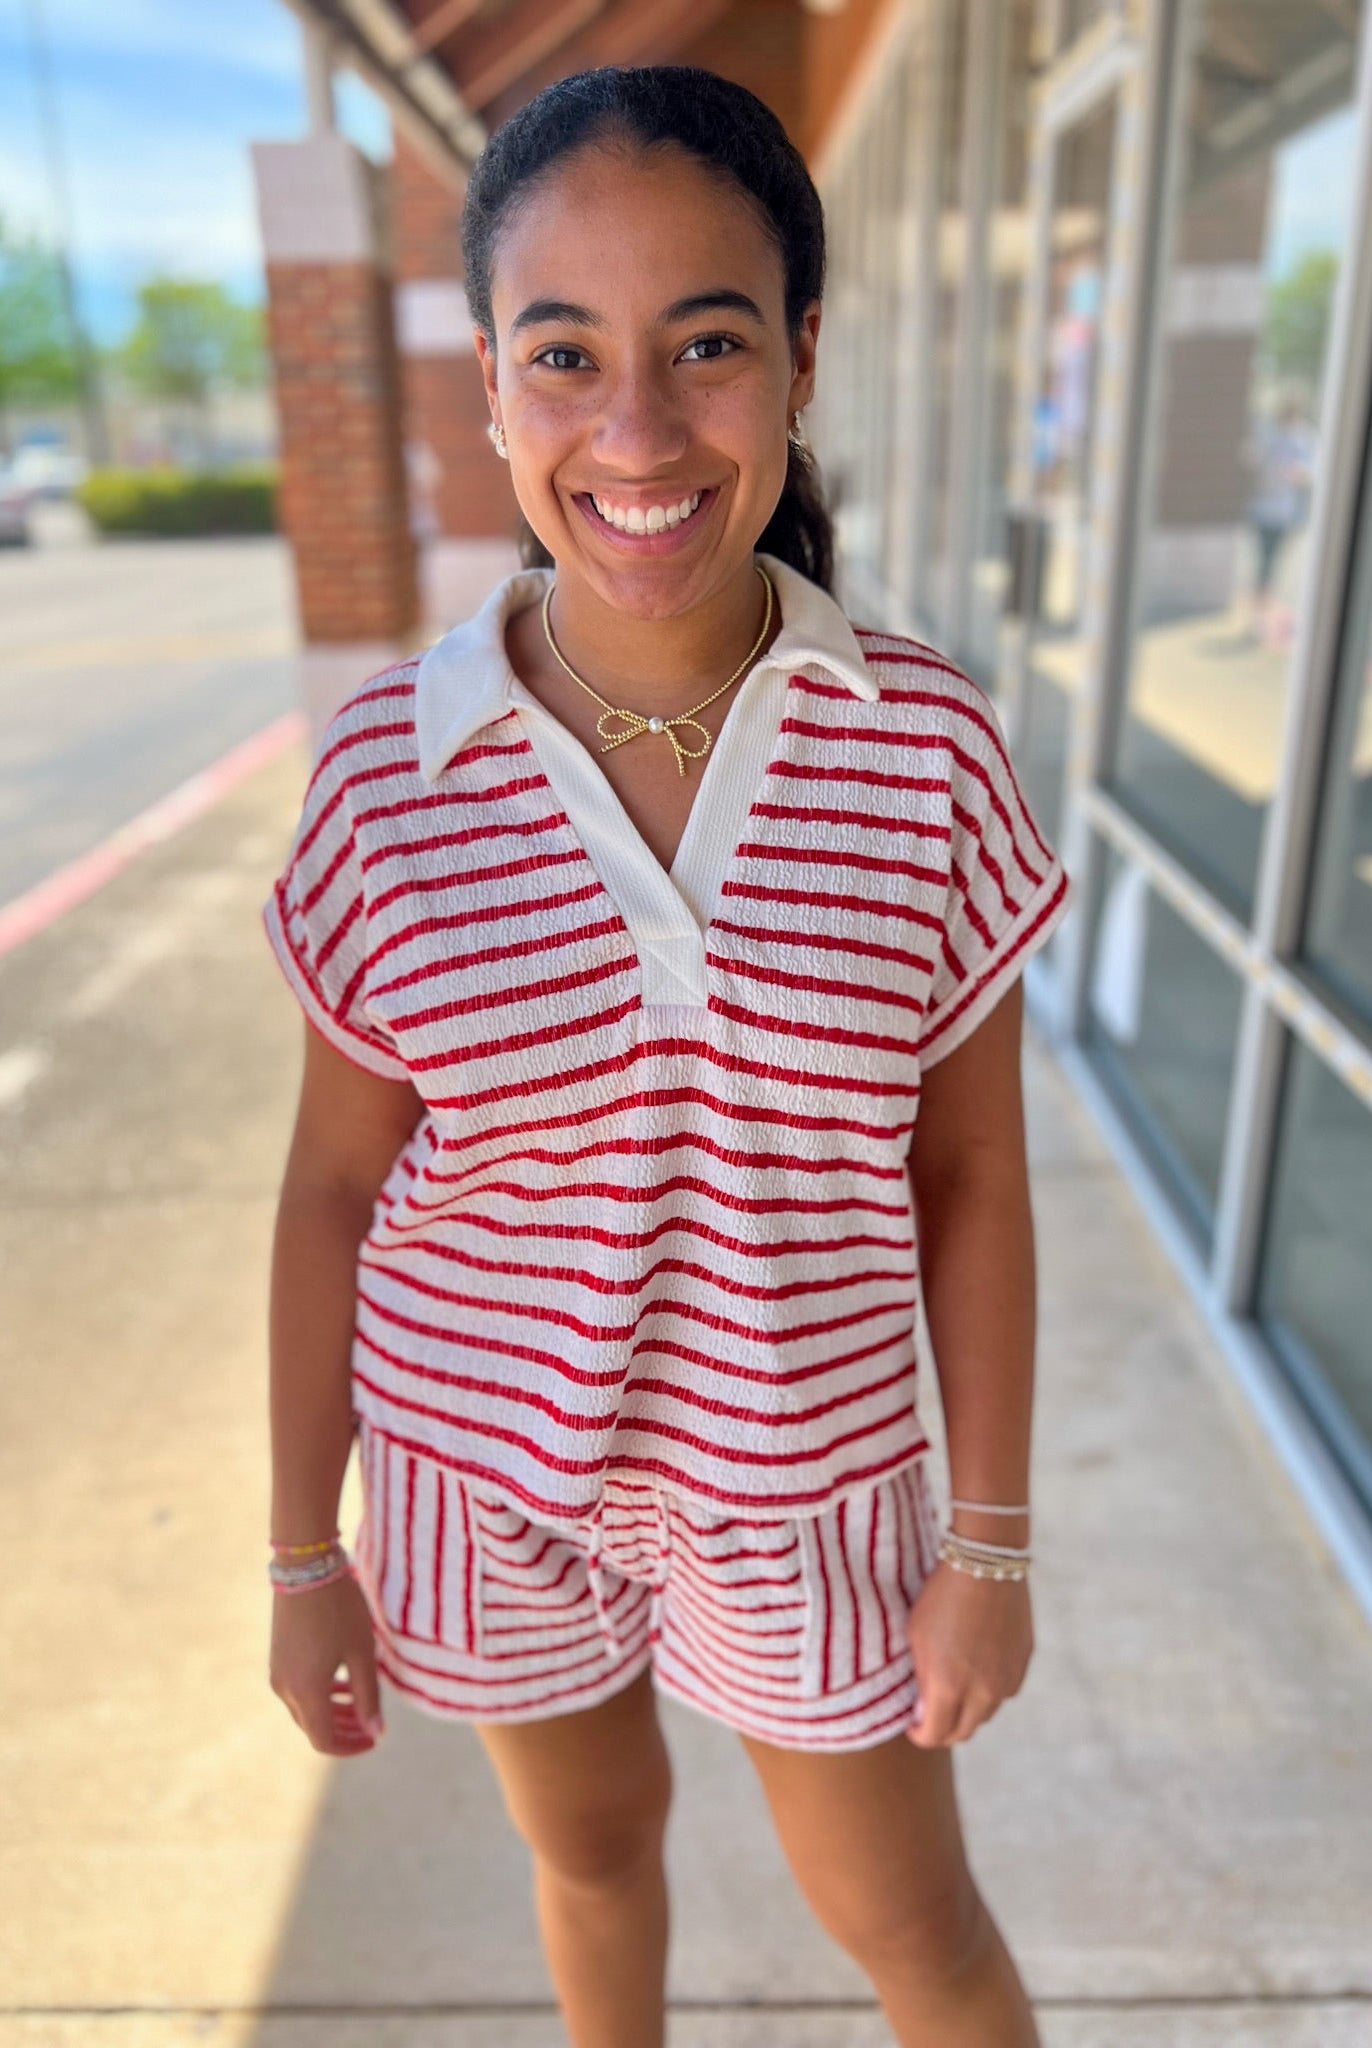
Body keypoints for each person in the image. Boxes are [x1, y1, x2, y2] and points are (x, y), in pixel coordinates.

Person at [262, 64, 1072, 2048]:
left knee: (913, 1925)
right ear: (487, 386)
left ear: (797, 358)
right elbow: (335, 1187)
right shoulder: (390, 776)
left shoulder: (918, 747)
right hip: (484, 1464)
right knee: (595, 1853)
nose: (633, 430)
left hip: (803, 1473)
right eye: (564, 353)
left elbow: (967, 1175)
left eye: (704, 343)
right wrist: (301, 1546)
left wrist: (988, 1538)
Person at [1242, 387, 1316, 650]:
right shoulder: (1271, 436)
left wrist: (1293, 473)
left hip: (1282, 512)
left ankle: (1263, 617)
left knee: (1272, 565)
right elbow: (1253, 462)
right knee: (1266, 564)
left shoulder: (1302, 438)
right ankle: (1259, 619)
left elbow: (1308, 474)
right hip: (1266, 509)